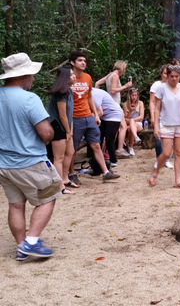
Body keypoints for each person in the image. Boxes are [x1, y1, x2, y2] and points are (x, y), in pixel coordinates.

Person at [0, 52, 62, 260]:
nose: (34, 78)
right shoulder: (29, 99)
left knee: (16, 204)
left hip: (4, 164)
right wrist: (52, 132)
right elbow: (45, 134)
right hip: (30, 160)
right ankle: (31, 242)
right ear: (23, 75)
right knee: (48, 197)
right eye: (32, 74)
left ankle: (21, 247)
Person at [68, 51, 120, 181]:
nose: (83, 63)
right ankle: (71, 173)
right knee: (73, 147)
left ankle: (106, 172)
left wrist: (96, 115)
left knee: (96, 144)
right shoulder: (68, 78)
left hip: (88, 116)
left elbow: (90, 96)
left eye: (84, 60)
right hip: (75, 117)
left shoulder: (87, 78)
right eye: (80, 60)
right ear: (72, 63)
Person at [148, 62, 180, 189]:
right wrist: (156, 126)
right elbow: (157, 108)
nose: (174, 79)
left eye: (177, 76)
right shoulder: (161, 88)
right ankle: (155, 172)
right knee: (166, 153)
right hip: (166, 124)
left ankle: (178, 181)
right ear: (167, 76)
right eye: (172, 76)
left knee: (179, 152)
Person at [47, 67, 77, 194]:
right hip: (57, 127)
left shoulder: (69, 91)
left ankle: (65, 178)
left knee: (70, 151)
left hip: (66, 127)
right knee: (58, 157)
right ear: (65, 78)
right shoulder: (60, 93)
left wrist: (71, 129)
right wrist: (67, 130)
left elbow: (70, 114)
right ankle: (60, 186)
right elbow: (62, 114)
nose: (74, 76)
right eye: (71, 75)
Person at [95, 61, 131, 160]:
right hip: (114, 105)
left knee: (111, 131)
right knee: (123, 127)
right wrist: (125, 86)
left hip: (108, 104)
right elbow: (113, 90)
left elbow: (97, 83)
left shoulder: (109, 75)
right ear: (122, 68)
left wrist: (97, 97)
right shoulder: (115, 76)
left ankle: (102, 152)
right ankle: (119, 149)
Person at [92, 88, 124, 167]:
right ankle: (96, 161)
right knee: (98, 138)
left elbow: (99, 112)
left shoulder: (94, 94)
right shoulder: (90, 93)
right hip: (104, 116)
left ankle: (113, 161)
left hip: (114, 115)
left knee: (109, 138)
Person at [149, 65, 173, 169]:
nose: (166, 76)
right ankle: (159, 159)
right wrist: (152, 116)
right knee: (158, 138)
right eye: (165, 73)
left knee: (168, 138)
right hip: (158, 115)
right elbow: (151, 102)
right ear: (161, 74)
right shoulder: (156, 85)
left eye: (168, 74)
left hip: (169, 115)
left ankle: (167, 159)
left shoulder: (172, 85)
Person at [123, 88, 144, 156]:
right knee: (130, 126)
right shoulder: (125, 104)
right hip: (129, 123)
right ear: (129, 96)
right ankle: (135, 138)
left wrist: (132, 120)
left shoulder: (140, 103)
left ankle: (131, 147)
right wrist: (130, 111)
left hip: (138, 123)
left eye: (135, 95)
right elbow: (126, 118)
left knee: (130, 128)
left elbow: (141, 116)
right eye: (132, 95)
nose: (134, 97)